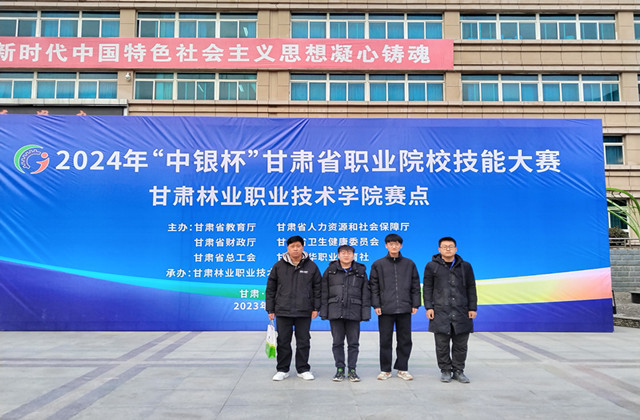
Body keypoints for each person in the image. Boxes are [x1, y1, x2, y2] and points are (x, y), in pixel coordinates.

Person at [265, 235, 321, 381]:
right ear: (287, 248)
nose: (295, 249)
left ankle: (303, 369)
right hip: (283, 310)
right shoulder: (278, 266)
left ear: (302, 247)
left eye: (298, 246)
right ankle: (282, 369)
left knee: (303, 341)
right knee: (283, 341)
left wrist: (316, 308)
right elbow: (270, 289)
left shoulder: (311, 266)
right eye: (292, 246)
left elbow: (317, 288)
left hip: (304, 310)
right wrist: (270, 309)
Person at [423, 236, 478, 384]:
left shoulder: (465, 266)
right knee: (442, 344)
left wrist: (472, 307)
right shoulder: (431, 266)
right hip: (440, 311)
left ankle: (459, 370)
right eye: (444, 246)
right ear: (439, 249)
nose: (448, 249)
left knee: (461, 344)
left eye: (451, 246)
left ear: (456, 249)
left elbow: (471, 287)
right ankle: (445, 370)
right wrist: (429, 307)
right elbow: (427, 288)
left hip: (462, 310)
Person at [369, 233, 421, 381]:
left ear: (401, 246)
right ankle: (385, 370)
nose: (394, 246)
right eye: (391, 244)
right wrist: (376, 304)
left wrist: (415, 303)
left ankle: (402, 368)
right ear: (386, 246)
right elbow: (373, 286)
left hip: (405, 307)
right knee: (385, 340)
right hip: (385, 309)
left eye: (396, 244)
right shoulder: (378, 264)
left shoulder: (409, 264)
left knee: (405, 340)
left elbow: (415, 285)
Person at [320, 245, 371, 382]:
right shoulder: (330, 271)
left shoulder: (360, 271)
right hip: (335, 311)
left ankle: (352, 370)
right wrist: (324, 312)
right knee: (337, 343)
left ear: (353, 255)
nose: (346, 255)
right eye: (343, 253)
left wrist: (365, 313)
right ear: (338, 255)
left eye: (349, 253)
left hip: (354, 311)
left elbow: (365, 294)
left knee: (353, 343)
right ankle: (340, 370)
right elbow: (324, 292)